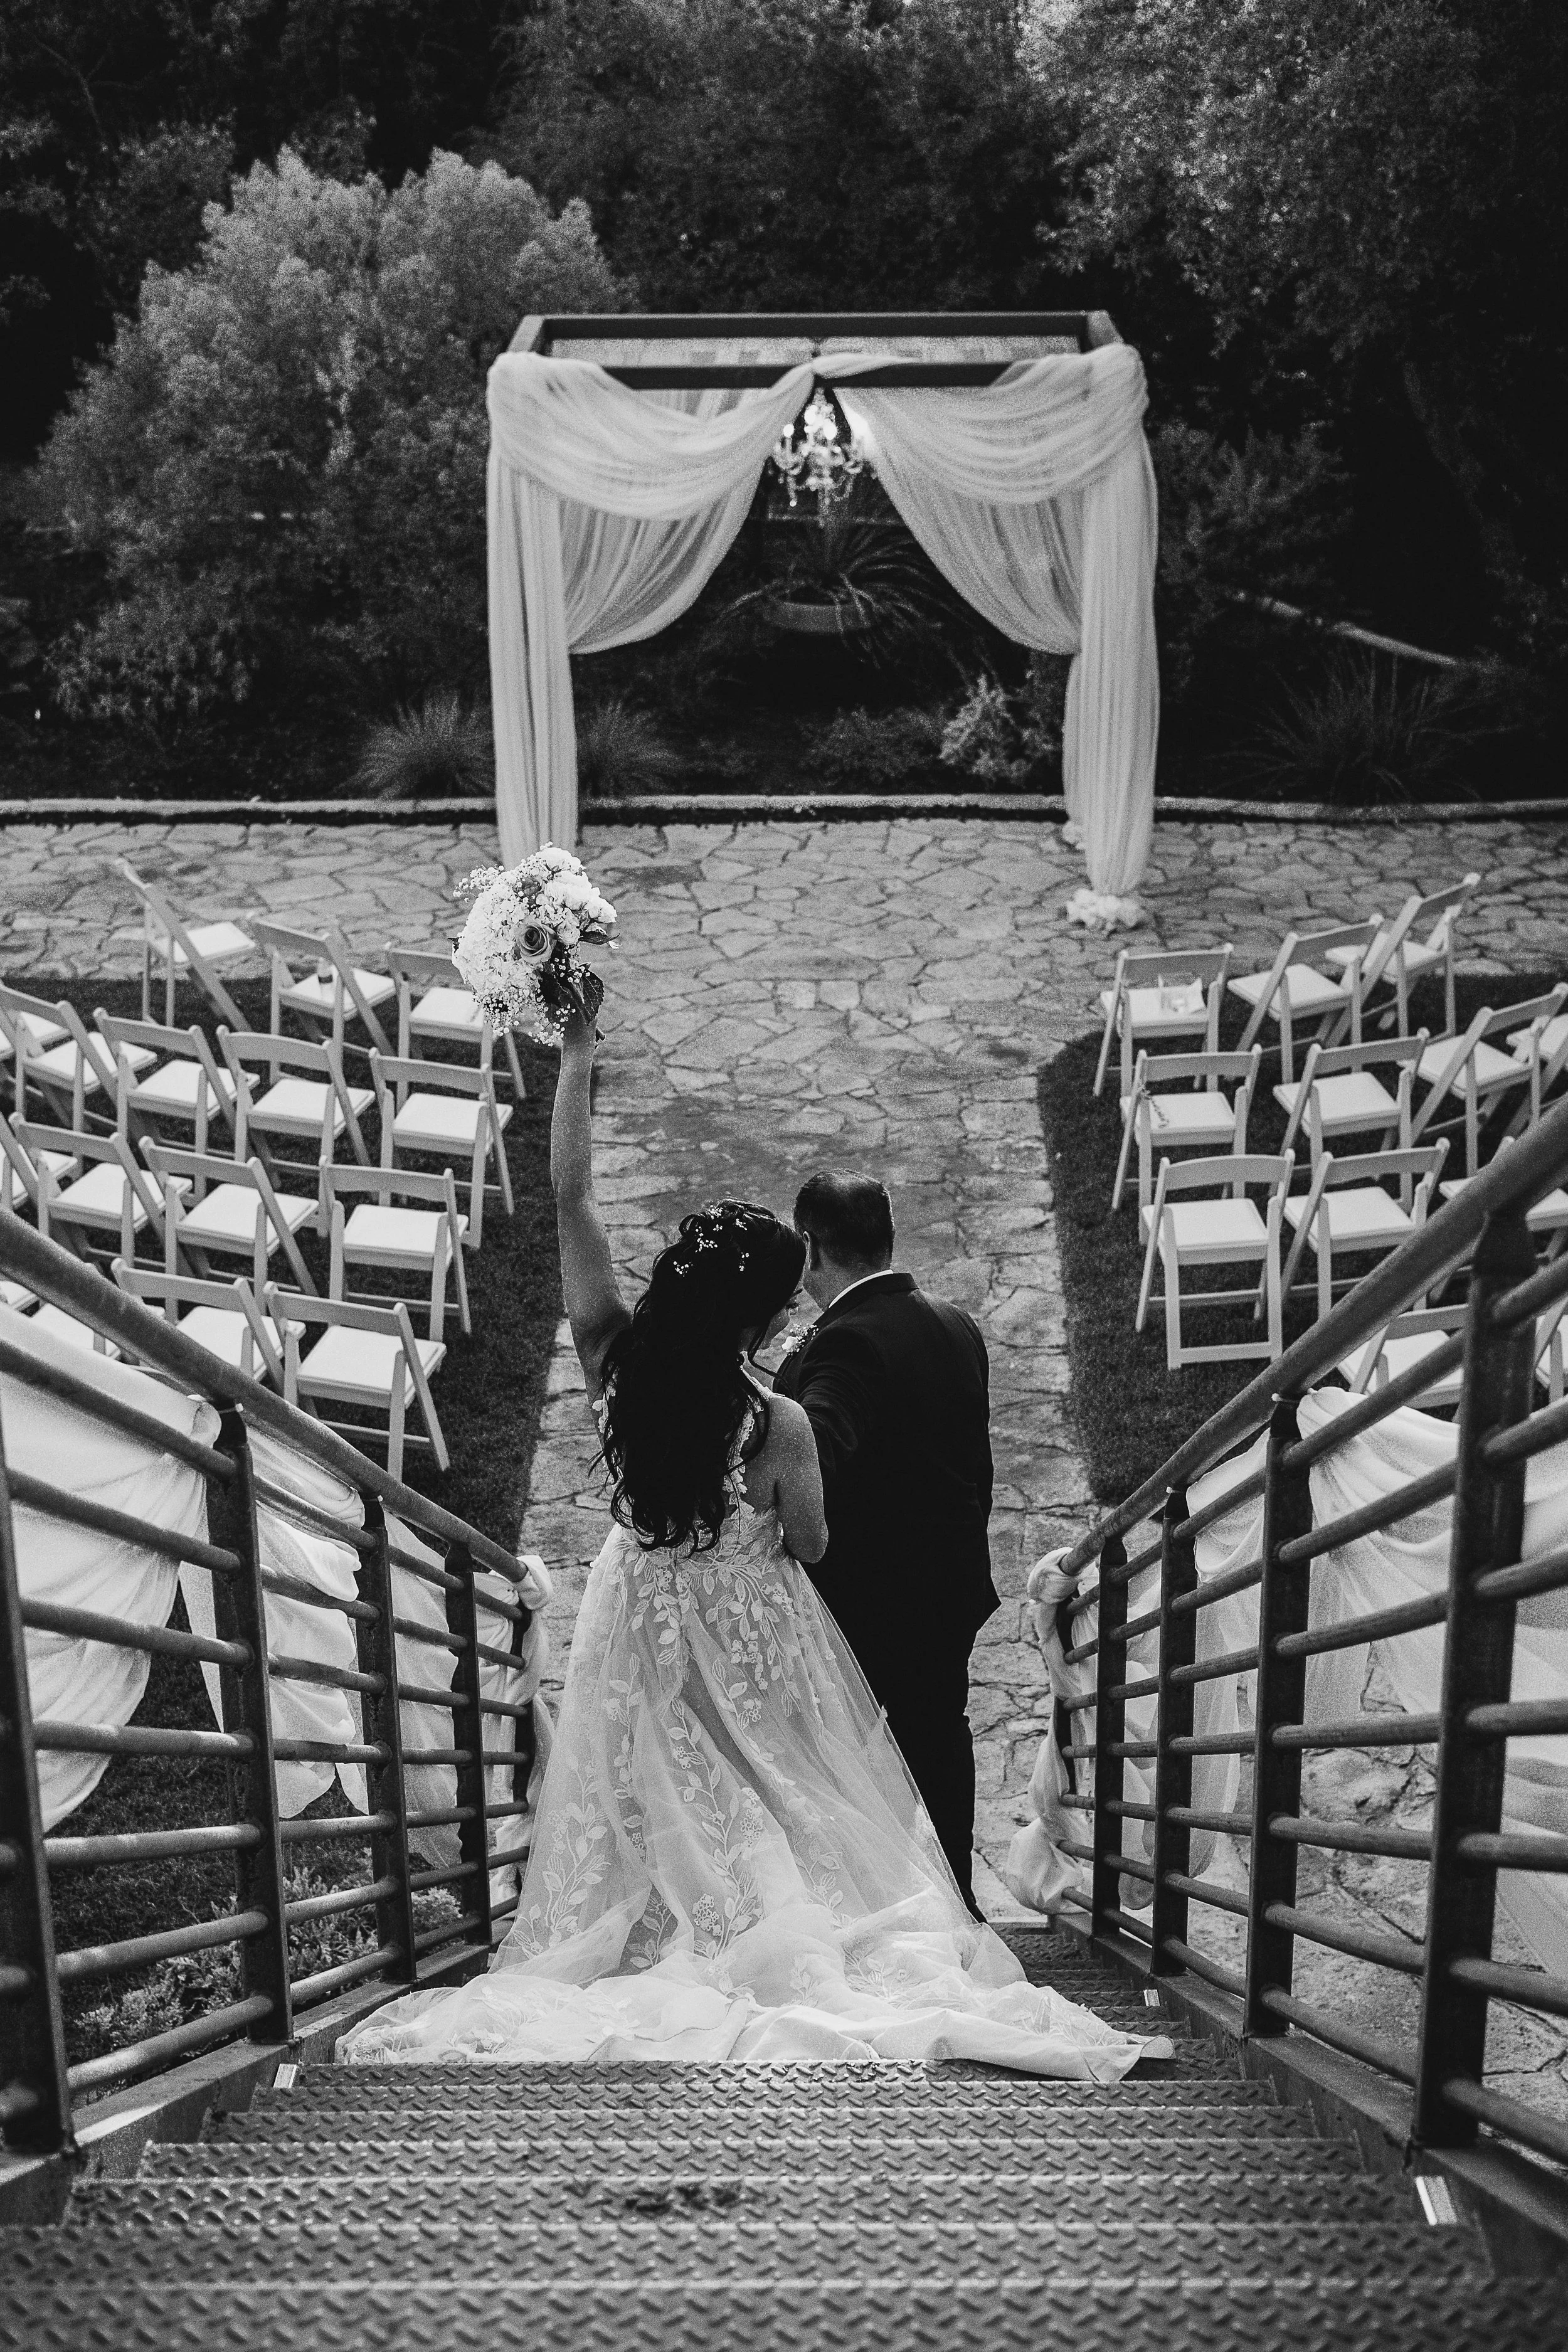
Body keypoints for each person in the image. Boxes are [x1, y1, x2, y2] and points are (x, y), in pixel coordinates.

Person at [339, 1007, 1162, 2074]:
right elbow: (810, 1544)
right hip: (751, 1626)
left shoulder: (612, 1362)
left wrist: (581, 1053)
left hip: (634, 1613)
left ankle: (643, 1929)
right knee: (771, 1789)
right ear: (768, 1320)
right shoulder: (778, 1422)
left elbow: (571, 1198)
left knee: (641, 1775)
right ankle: (758, 1928)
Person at [773, 1173, 995, 1915]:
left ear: (809, 1247)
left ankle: (874, 1910)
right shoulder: (955, 1322)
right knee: (938, 1740)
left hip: (870, 1602)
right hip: (950, 1583)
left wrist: (762, 1411)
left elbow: (816, 1446)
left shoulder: (845, 1344)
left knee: (843, 1756)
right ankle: (956, 1902)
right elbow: (975, 1465)